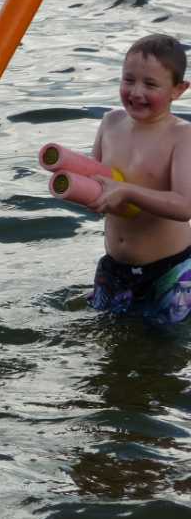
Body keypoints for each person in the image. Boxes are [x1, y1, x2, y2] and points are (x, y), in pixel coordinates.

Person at [85, 33, 191, 325]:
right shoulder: (110, 124)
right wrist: (78, 190)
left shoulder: (182, 136)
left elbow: (184, 206)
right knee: (106, 338)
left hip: (169, 271)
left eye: (150, 84)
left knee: (163, 347)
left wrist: (128, 191)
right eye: (128, 80)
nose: (136, 92)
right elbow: (95, 184)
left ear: (178, 90)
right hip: (115, 267)